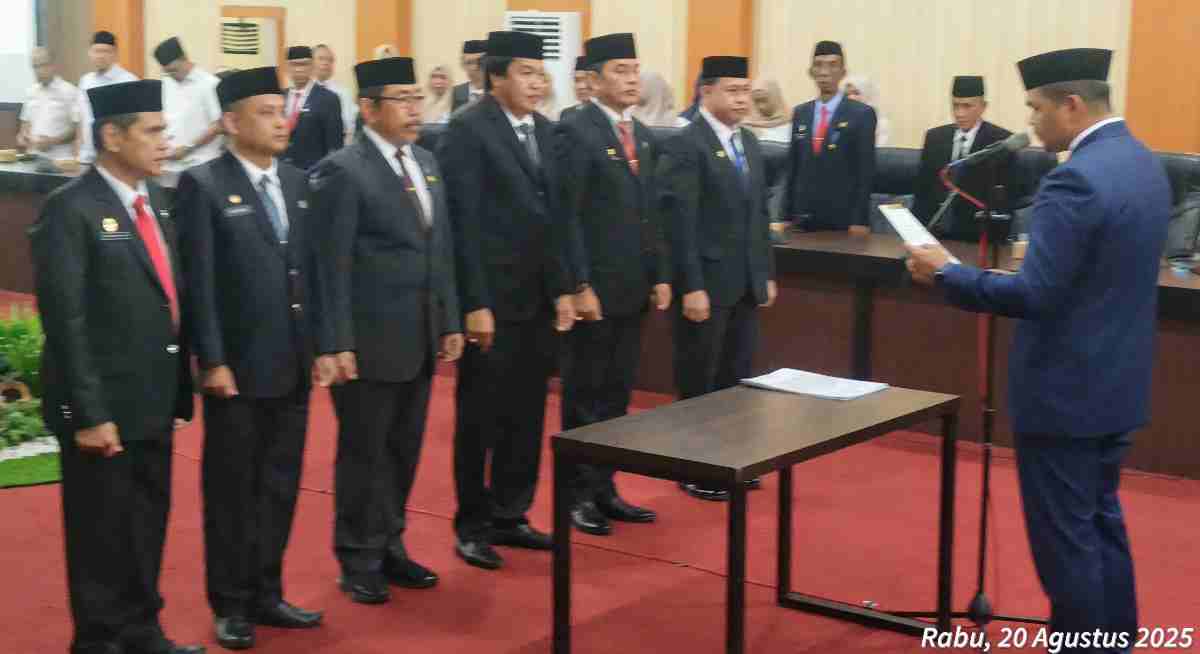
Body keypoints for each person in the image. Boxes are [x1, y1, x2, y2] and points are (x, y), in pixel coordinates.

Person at [907, 48, 1169, 650]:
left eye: (1036, 108)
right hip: (1119, 384)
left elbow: (1034, 295)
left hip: (1064, 394)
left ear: (1071, 105)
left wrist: (947, 273)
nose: (1030, 122)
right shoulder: (1142, 162)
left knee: (1066, 547)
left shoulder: (1073, 178)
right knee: (1102, 525)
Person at [30, 79, 202, 654]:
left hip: (153, 400)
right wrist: (89, 413)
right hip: (102, 409)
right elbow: (66, 322)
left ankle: (143, 631)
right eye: (152, 131)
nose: (165, 141)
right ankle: (100, 641)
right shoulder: (70, 209)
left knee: (146, 527)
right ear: (111, 136)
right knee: (100, 536)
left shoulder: (154, 201)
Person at [174, 66, 325, 650]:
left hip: (292, 363)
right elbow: (200, 283)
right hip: (236, 367)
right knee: (233, 490)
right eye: (266, 112)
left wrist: (321, 346)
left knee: (280, 484)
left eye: (281, 110)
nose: (281, 122)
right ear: (231, 123)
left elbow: (308, 273)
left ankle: (267, 591)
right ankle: (231, 603)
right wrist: (212, 359)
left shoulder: (295, 179)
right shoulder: (204, 184)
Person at [309, 56, 463, 604]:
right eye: (401, 99)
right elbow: (330, 265)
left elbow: (440, 248)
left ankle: (391, 543)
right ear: (369, 108)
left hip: (418, 333)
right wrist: (335, 341)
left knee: (403, 449)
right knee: (365, 453)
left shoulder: (426, 160)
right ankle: (358, 556)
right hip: (368, 339)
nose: (414, 108)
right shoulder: (342, 170)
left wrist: (449, 318)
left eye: (416, 97)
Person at [437, 30, 576, 570]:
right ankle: (472, 524)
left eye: (542, 74)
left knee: (527, 412)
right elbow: (463, 223)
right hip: (492, 301)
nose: (537, 83)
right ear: (496, 76)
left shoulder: (546, 130)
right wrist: (474, 302)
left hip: (537, 300)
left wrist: (563, 287)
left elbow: (557, 219)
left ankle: (511, 513)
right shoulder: (467, 130)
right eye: (526, 73)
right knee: (481, 417)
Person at [557, 33, 666, 536]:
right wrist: (579, 283)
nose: (631, 79)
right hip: (595, 290)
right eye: (620, 70)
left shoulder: (640, 133)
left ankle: (605, 487)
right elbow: (568, 216)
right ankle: (576, 495)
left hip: (632, 286)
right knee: (585, 395)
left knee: (618, 396)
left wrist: (660, 274)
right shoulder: (574, 130)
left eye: (634, 69)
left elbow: (650, 214)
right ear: (593, 79)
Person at [657, 56, 777, 502]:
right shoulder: (685, 145)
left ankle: (728, 462)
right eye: (733, 90)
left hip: (743, 282)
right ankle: (692, 466)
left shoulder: (748, 141)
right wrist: (691, 284)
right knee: (699, 380)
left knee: (736, 377)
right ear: (706, 92)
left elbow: (759, 215)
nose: (743, 99)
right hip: (705, 282)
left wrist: (764, 273)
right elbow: (679, 223)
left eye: (746, 90)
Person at [785, 41, 876, 234]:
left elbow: (865, 171)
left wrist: (860, 220)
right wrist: (784, 216)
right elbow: (793, 166)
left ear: (843, 72)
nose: (824, 72)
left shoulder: (861, 114)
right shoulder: (801, 112)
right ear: (811, 72)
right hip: (803, 217)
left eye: (832, 65)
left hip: (842, 218)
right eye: (818, 65)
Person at [912, 76, 1017, 242]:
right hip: (935, 234)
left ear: (983, 107)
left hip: (977, 236)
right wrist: (917, 235)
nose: (959, 113)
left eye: (967, 106)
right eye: (955, 106)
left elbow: (1005, 200)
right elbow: (922, 191)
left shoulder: (1000, 142)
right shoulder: (935, 138)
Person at [153, 37, 223, 188]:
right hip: (169, 168)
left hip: (200, 166)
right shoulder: (166, 83)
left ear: (184, 59)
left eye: (174, 70)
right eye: (167, 72)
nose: (172, 75)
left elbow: (218, 125)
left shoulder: (209, 84)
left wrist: (187, 148)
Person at [76, 31, 138, 164]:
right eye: (96, 51)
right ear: (90, 53)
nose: (100, 56)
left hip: (116, 158)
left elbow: (134, 124)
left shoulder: (128, 81)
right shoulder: (85, 81)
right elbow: (82, 119)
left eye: (106, 51)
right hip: (87, 157)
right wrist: (78, 151)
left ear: (115, 53)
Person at [281, 46, 344, 170]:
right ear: (287, 68)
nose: (299, 69)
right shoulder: (279, 97)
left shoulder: (328, 99)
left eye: (304, 64)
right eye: (294, 65)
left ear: (312, 66)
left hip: (313, 172)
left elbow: (335, 146)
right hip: (282, 172)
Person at [17, 47, 78, 161]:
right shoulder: (31, 92)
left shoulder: (69, 91)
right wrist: (23, 137)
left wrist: (52, 141)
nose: (39, 70)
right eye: (35, 66)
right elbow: (25, 126)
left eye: (43, 65)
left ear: (53, 65)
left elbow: (77, 129)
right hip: (34, 157)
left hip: (60, 160)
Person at [314, 44, 357, 145]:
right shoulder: (303, 92)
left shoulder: (344, 93)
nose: (326, 63)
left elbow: (350, 126)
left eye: (330, 60)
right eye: (321, 58)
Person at [842, 75, 890, 146]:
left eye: (856, 93)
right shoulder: (840, 120)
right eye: (847, 94)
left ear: (867, 95)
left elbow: (880, 150)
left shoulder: (880, 123)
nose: (851, 97)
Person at [744, 78, 790, 143]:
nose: (761, 106)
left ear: (775, 98)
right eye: (756, 101)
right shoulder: (747, 127)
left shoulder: (793, 124)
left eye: (764, 100)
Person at [450, 40, 487, 112]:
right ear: (463, 65)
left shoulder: (499, 93)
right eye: (470, 62)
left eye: (480, 62)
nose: (475, 67)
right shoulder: (454, 94)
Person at [558, 55, 592, 121]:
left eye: (586, 80)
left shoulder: (607, 114)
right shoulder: (567, 114)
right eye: (577, 80)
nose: (581, 86)